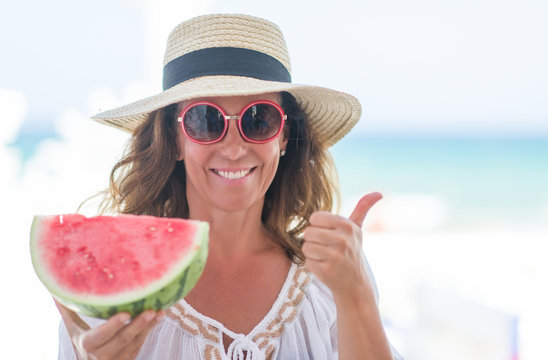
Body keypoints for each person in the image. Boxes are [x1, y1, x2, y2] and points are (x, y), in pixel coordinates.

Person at [55, 14, 403, 360]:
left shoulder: (333, 278)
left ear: (283, 137)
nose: (234, 149)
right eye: (205, 120)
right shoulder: (113, 282)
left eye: (259, 119)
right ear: (175, 140)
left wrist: (356, 293)